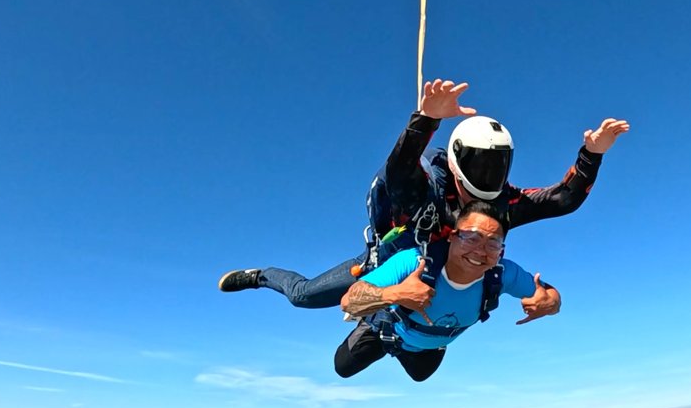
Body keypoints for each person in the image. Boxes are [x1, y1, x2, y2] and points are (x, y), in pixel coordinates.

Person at [218, 79, 628, 309]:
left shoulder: (504, 202)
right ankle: (262, 276)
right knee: (305, 296)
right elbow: (398, 171)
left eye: (495, 167)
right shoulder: (429, 187)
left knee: (425, 347)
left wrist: (591, 154)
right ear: (453, 160)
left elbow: (562, 200)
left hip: (439, 283)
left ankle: (385, 331)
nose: (486, 178)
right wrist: (426, 119)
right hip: (386, 263)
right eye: (478, 165)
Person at [334, 200, 561, 381]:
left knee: (420, 375)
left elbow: (552, 296)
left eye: (492, 244)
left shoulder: (502, 274)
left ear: (501, 251)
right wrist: (394, 294)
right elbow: (348, 301)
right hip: (387, 328)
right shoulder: (414, 262)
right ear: (453, 237)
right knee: (342, 367)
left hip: (429, 346)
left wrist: (549, 305)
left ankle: (412, 344)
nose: (481, 251)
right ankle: (374, 318)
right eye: (472, 238)